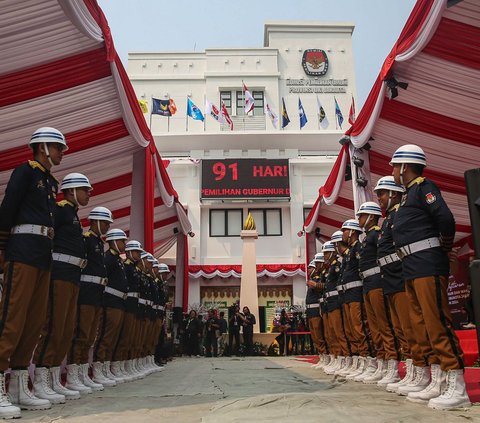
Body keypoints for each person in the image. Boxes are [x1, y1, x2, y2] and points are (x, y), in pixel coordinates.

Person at [390, 144, 470, 410]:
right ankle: (437, 380)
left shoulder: (425, 187)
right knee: (420, 325)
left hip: (427, 262)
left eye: (394, 166)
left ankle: (457, 386)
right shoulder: (407, 196)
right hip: (411, 265)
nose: (392, 171)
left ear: (405, 166)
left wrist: (444, 250)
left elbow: (446, 219)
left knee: (437, 322)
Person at [0, 127, 67, 416]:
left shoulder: (51, 182)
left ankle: (17, 385)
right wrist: (3, 250)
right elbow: (7, 210)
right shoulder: (24, 172)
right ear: (42, 147)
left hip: (42, 255)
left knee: (34, 321)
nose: (62, 153)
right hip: (22, 250)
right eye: (58, 147)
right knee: (12, 317)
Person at [33, 173, 92, 403]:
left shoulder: (73, 215)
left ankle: (53, 377)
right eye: (84, 189)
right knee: (54, 327)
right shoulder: (59, 210)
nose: (88, 194)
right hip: (59, 274)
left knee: (66, 329)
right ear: (70, 190)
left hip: (72, 275)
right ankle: (40, 379)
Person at [374, 176, 421, 391]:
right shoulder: (388, 220)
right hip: (390, 280)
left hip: (401, 277)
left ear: (394, 193)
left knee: (410, 328)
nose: (379, 198)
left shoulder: (400, 215)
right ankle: (411, 372)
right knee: (401, 329)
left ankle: (419, 373)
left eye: (381, 193)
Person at [356, 201, 400, 385]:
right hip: (368, 284)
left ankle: (392, 367)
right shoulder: (367, 237)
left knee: (383, 325)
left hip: (376, 282)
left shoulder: (375, 234)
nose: (359, 219)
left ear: (372, 216)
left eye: (362, 215)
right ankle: (382, 364)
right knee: (375, 328)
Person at [69, 206, 113, 389]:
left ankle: (81, 372)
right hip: (86, 291)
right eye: (105, 223)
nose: (107, 227)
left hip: (96, 293)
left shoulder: (99, 242)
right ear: (95, 221)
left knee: (90, 336)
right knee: (82, 333)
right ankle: (73, 374)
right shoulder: (87, 240)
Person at [93, 229, 128, 384]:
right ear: (113, 241)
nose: (124, 244)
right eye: (122, 241)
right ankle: (98, 368)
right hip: (110, 301)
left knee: (113, 337)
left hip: (118, 302)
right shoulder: (108, 258)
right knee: (106, 336)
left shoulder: (117, 260)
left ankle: (106, 367)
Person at [306, 254, 325, 361]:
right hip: (311, 312)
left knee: (319, 335)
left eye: (310, 268)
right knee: (315, 336)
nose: (308, 270)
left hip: (316, 311)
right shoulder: (312, 280)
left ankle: (325, 356)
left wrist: (315, 285)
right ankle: (322, 356)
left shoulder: (317, 280)